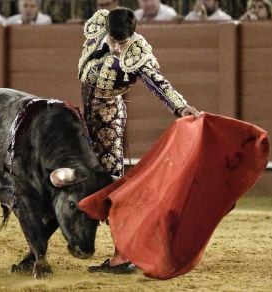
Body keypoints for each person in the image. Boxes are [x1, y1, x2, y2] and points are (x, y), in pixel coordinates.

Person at [78, 7, 200, 273]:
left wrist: (180, 107)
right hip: (85, 117)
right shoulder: (99, 27)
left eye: (122, 42)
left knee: (112, 185)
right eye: (113, 39)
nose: (116, 46)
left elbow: (159, 83)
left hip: (109, 118)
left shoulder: (137, 53)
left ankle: (123, 256)